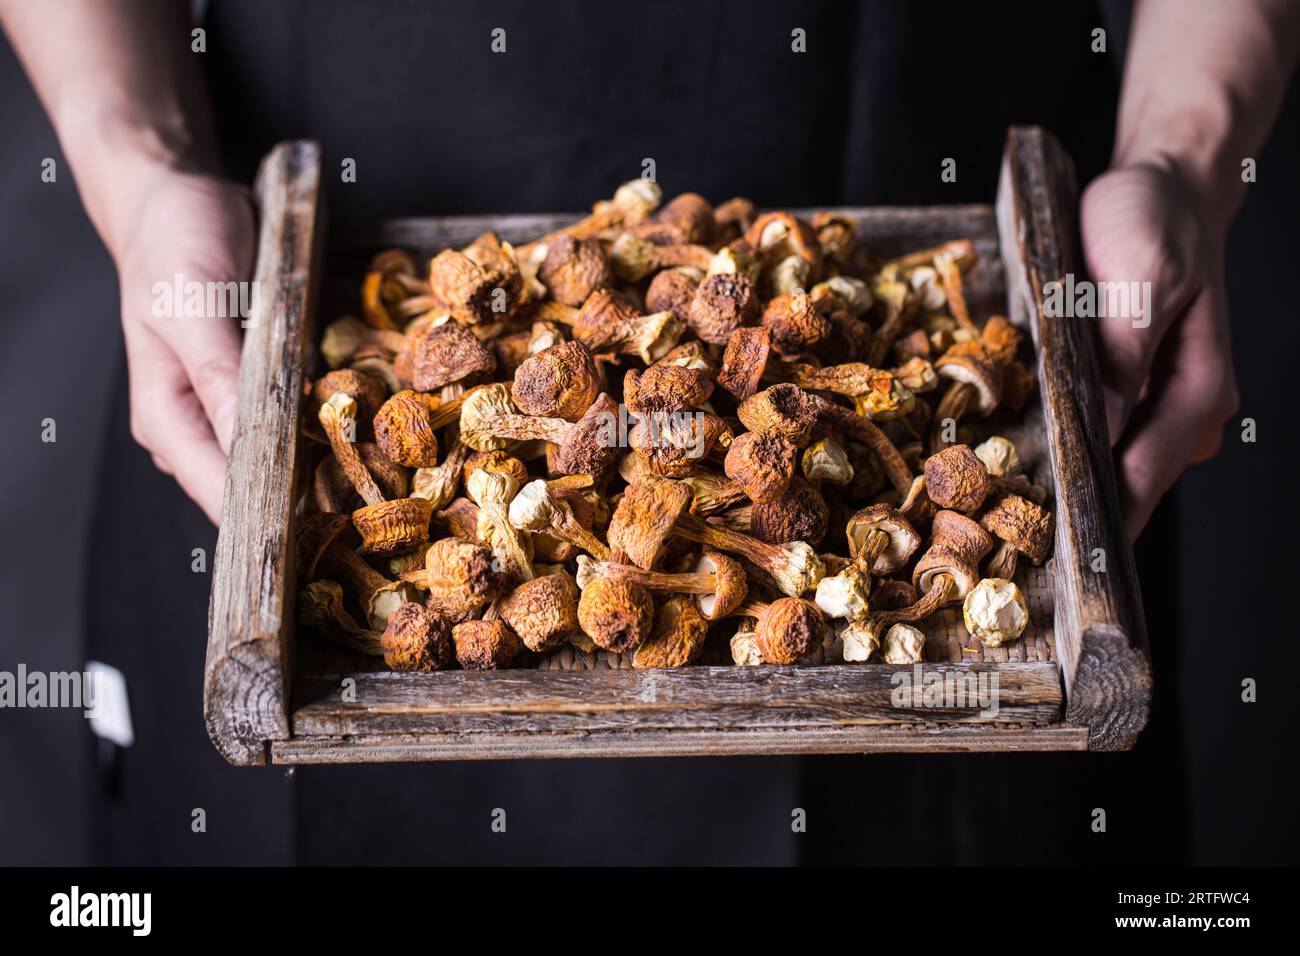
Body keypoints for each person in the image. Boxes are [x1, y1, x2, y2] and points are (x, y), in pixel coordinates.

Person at [2, 0, 1296, 864]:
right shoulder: (424, 431)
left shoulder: (793, 416)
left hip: (960, 218)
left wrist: (1183, 154)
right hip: (324, 228)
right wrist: (140, 167)